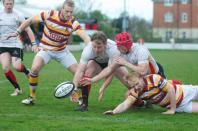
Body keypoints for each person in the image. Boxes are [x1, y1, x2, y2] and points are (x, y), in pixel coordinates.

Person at [8, 0, 91, 105]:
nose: (69, 14)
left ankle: (79, 97)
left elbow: (84, 36)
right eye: (67, 11)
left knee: (79, 72)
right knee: (34, 69)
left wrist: (89, 46)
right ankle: (31, 98)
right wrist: (18, 31)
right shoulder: (49, 14)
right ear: (61, 9)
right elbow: (29, 21)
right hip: (46, 50)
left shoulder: (73, 22)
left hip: (62, 51)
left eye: (71, 12)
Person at [80, 32, 166, 91]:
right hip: (142, 78)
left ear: (126, 45)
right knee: (130, 97)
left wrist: (125, 63)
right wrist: (92, 80)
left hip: (156, 74)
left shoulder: (141, 50)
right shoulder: (120, 53)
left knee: (170, 96)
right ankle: (146, 99)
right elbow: (109, 69)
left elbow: (143, 71)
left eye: (119, 46)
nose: (117, 48)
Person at [72, 31, 128, 111]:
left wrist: (103, 87)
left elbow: (111, 70)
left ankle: (140, 101)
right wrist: (74, 89)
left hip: (113, 66)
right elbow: (80, 71)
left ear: (105, 44)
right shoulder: (88, 50)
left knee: (128, 81)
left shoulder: (113, 49)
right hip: (97, 64)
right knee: (88, 70)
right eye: (94, 46)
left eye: (99, 47)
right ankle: (83, 104)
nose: (96, 50)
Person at [103, 73, 198, 115]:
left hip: (186, 92)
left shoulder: (153, 78)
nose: (136, 87)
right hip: (181, 107)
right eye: (133, 86)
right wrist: (114, 111)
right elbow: (125, 104)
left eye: (137, 83)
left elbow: (171, 90)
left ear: (141, 78)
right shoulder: (135, 92)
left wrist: (172, 110)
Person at [0, 0, 36, 96]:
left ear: (13, 4)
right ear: (3, 4)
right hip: (3, 45)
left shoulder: (18, 15)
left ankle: (26, 71)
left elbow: (28, 29)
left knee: (17, 67)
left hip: (16, 44)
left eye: (10, 4)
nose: (8, 6)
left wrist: (33, 43)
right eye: (6, 4)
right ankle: (17, 89)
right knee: (5, 68)